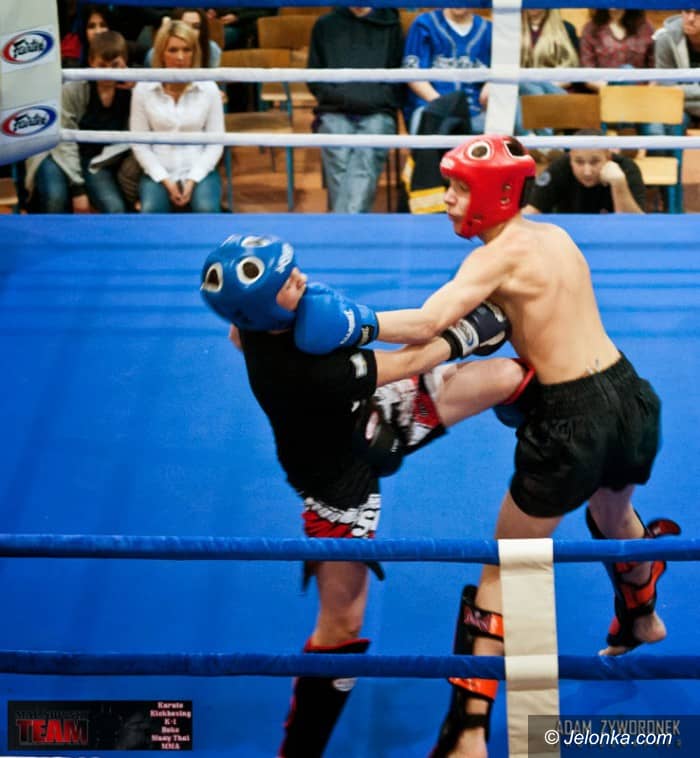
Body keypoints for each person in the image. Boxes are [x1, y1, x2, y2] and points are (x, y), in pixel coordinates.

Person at [343, 134, 678, 757]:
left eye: (458, 188)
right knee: (612, 515)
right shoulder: (554, 236)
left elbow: (425, 325)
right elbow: (496, 326)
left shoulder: (491, 260)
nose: (447, 199)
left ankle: (469, 734)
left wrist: (346, 326)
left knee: (507, 564)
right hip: (631, 396)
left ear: (495, 194)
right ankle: (643, 614)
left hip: (572, 419)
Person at [199, 232, 529, 758]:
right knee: (342, 626)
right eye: (283, 280)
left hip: (371, 413)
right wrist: (468, 333)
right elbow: (411, 358)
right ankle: (300, 750)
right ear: (262, 307)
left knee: (510, 377)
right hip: (337, 489)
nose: (298, 276)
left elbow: (239, 335)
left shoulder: (256, 325)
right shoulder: (308, 372)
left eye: (291, 267)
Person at [307, 7, 404, 213]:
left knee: (366, 159)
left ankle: (342, 224)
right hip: (334, 109)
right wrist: (342, 98)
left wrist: (372, 99)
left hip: (378, 110)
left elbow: (399, 78)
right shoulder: (325, 25)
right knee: (339, 157)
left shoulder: (392, 25)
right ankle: (351, 223)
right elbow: (314, 78)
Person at [25, 30, 133, 214]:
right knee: (56, 197)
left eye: (115, 65)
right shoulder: (73, 88)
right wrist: (78, 189)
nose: (108, 72)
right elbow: (64, 139)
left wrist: (140, 87)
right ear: (91, 62)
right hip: (55, 152)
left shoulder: (134, 88)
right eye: (102, 65)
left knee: (115, 209)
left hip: (95, 162)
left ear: (124, 63)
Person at [129, 20, 223, 213]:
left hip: (199, 169)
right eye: (173, 50)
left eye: (186, 50)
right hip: (159, 171)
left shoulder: (209, 88)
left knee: (206, 210)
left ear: (194, 53)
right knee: (151, 212)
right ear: (161, 53)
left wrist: (193, 179)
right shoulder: (143, 89)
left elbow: (216, 142)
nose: (180, 57)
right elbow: (139, 144)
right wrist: (165, 180)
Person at [402, 8, 492, 136]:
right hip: (431, 107)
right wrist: (444, 105)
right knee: (425, 124)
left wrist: (492, 84)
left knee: (503, 123)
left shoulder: (489, 30)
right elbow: (413, 74)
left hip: (476, 111)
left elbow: (504, 68)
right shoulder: (425, 23)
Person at [522, 130, 646, 214]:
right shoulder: (560, 168)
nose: (587, 172)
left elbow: (636, 227)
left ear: (608, 157)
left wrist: (619, 184)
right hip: (568, 239)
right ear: (570, 157)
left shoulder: (627, 169)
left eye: (595, 162)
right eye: (579, 162)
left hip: (613, 238)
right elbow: (530, 212)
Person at [580, 9, 655, 92]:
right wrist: (613, 90)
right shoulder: (591, 29)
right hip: (605, 91)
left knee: (627, 70)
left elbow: (655, 69)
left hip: (640, 92)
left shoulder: (646, 27)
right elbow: (588, 74)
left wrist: (646, 93)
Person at [654, 9, 700, 129]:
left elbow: (674, 90)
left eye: (698, 13)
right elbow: (667, 89)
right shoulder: (666, 38)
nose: (691, 18)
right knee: (671, 116)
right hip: (677, 106)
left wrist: (680, 89)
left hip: (682, 101)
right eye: (687, 11)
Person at [145, 8, 221, 69]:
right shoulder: (153, 55)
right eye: (185, 25)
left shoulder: (212, 49)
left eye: (196, 27)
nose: (190, 31)